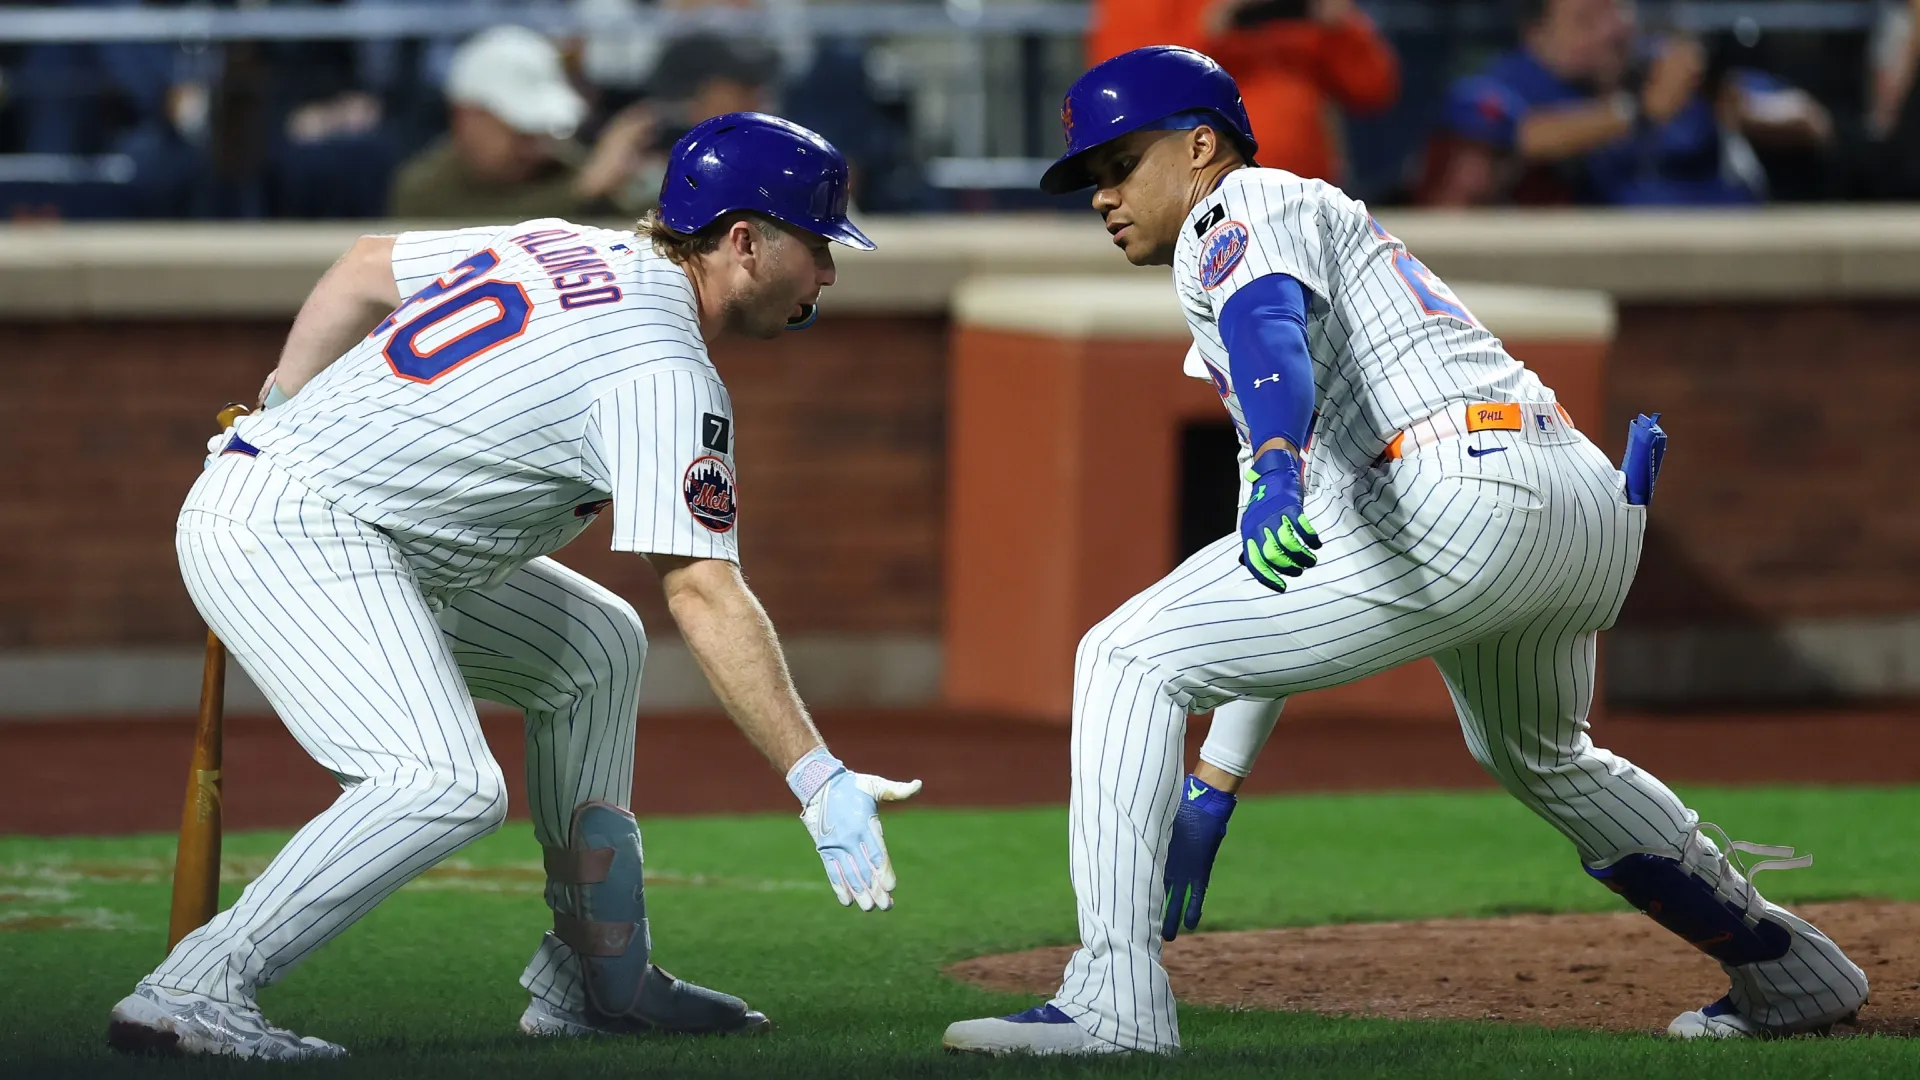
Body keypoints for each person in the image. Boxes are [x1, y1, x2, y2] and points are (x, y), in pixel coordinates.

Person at [942, 46, 1868, 1055]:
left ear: (1200, 146)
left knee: (1119, 657)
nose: (1101, 193)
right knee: (1542, 755)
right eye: (1091, 175)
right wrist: (1214, 778)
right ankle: (1790, 970)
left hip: (1457, 492)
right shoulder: (1306, 223)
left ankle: (1113, 1002)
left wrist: (1282, 462)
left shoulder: (1236, 204)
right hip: (1578, 500)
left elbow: (1267, 334)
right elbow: (1285, 558)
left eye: (1118, 163)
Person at [107, 113, 918, 1060]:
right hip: (298, 534)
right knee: (439, 782)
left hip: (344, 522)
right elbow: (700, 590)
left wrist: (276, 410)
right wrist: (814, 774)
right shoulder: (663, 369)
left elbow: (366, 266)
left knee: (597, 647)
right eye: (818, 246)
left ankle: (596, 976)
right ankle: (194, 992)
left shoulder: (565, 241)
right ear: (744, 241)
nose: (827, 273)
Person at [1426, 0, 1830, 206]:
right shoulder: (1514, 79)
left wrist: (1739, 109)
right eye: (1586, 21)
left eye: (1616, 12)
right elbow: (1520, 137)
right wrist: (1639, 112)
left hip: (1737, 253)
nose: (1610, 32)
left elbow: (1812, 121)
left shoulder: (1665, 63)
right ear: (1537, 35)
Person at [1087, 0, 1397, 185]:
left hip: (1305, 195)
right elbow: (1122, 89)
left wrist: (1339, 23)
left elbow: (1374, 88)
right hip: (1195, 195)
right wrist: (1213, 24)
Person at [389, 26, 657, 219]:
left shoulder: (561, 165)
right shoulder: (423, 187)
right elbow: (484, 241)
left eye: (542, 129)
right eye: (520, 130)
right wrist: (583, 190)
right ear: (467, 117)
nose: (534, 146)